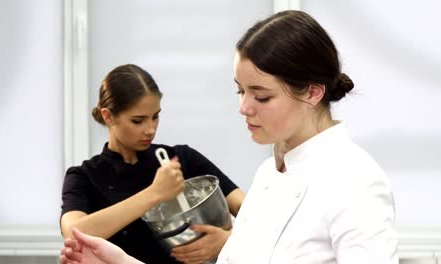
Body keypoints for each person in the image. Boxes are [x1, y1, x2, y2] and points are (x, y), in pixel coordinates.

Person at [60, 10, 398, 264]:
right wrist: (120, 261)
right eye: (240, 91)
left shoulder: (355, 181)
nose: (244, 108)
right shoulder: (268, 176)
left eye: (261, 96)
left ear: (312, 92)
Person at [60, 64, 245, 264]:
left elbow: (256, 212)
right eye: (138, 121)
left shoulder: (183, 159)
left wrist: (229, 239)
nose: (150, 129)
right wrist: (155, 193)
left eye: (155, 117)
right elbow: (74, 232)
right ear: (108, 116)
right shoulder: (84, 176)